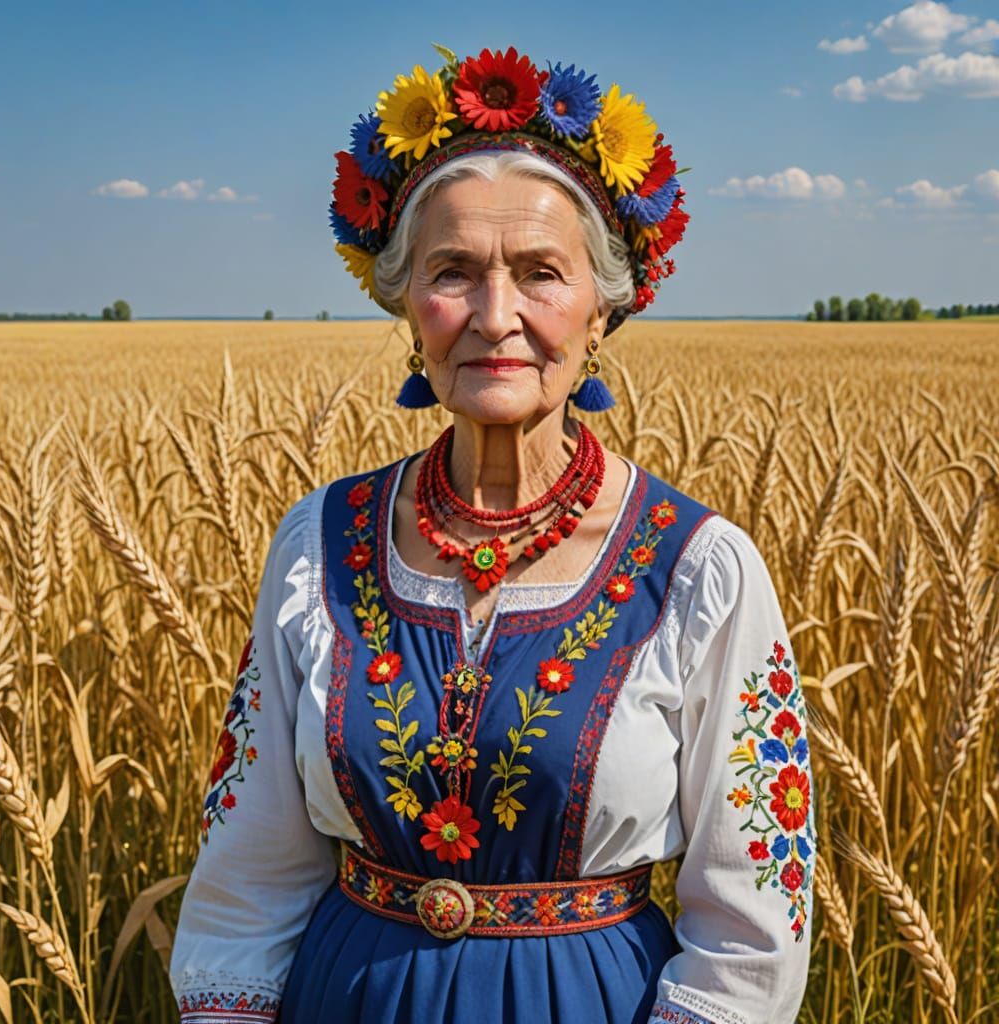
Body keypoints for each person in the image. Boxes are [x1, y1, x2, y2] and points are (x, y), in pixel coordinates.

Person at [169, 44, 816, 1024]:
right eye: (454, 272)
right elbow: (247, 875)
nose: (495, 314)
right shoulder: (319, 545)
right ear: (407, 304)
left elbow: (751, 927)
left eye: (541, 273)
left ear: (601, 310)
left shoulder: (698, 569)